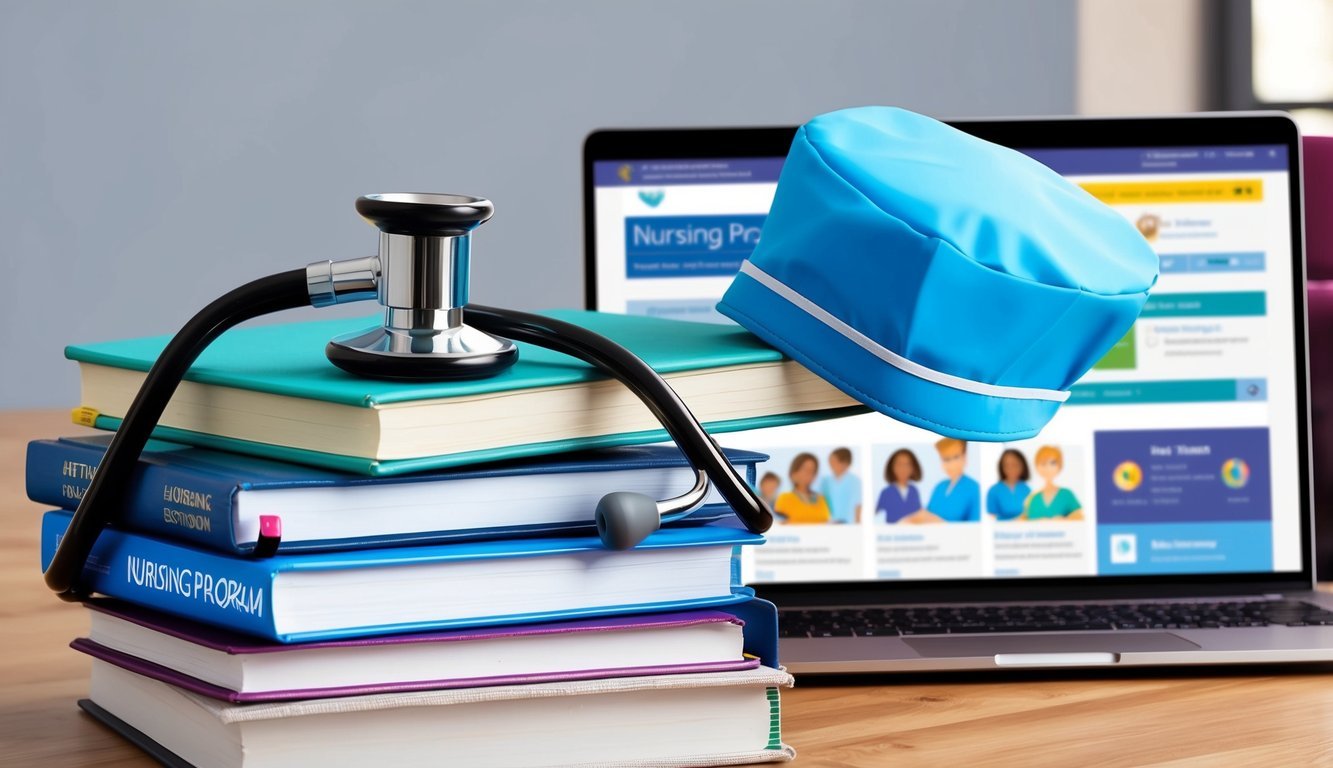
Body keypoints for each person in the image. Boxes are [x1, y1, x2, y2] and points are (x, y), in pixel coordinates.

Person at [920, 438, 980, 523]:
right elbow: (926, 516)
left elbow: (975, 528)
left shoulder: (974, 489)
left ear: (964, 457)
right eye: (946, 459)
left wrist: (940, 524)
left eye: (955, 457)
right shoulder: (939, 487)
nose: (951, 464)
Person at [1022, 445, 1083, 520]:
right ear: (1037, 467)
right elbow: (1023, 520)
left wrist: (1063, 520)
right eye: (1043, 463)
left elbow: (1079, 516)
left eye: (1053, 463)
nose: (1048, 468)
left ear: (1059, 466)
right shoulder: (1032, 498)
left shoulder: (1066, 495)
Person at [774, 452, 831, 524]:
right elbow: (780, 524)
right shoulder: (784, 498)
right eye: (806, 469)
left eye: (812, 471)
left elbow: (826, 521)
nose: (809, 474)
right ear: (794, 472)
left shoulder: (821, 499)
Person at [876, 448, 923, 524]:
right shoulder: (886, 492)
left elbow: (919, 514)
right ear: (892, 468)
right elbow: (876, 514)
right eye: (899, 464)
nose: (903, 468)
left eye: (907, 464)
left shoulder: (914, 491)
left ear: (913, 468)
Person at [817, 447, 862, 524]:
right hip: (829, 522)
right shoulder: (825, 481)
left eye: (834, 461)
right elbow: (820, 501)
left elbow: (858, 505)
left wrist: (857, 523)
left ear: (845, 463)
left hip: (848, 522)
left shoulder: (855, 481)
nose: (830, 464)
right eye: (830, 461)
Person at [986, 449, 1031, 521]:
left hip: (1023, 530)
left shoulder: (1027, 490)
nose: (1011, 468)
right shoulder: (994, 491)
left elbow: (1029, 515)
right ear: (1002, 467)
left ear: (1023, 466)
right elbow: (991, 517)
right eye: (1007, 465)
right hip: (1001, 530)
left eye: (1015, 465)